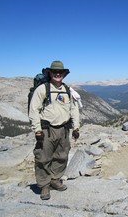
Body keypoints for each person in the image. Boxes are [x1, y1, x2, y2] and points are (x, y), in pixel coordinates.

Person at [29, 60, 80, 200]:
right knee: (43, 158)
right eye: (55, 72)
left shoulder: (67, 90)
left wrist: (76, 127)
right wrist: (37, 130)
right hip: (47, 129)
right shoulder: (43, 89)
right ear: (50, 73)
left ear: (64, 74)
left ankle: (55, 179)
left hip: (64, 129)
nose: (58, 74)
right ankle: (44, 185)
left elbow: (74, 110)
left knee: (62, 156)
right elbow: (34, 110)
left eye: (60, 72)